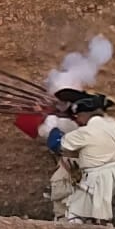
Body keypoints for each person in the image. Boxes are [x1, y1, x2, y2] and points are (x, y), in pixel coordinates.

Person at [59, 93, 115, 227]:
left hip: (96, 179)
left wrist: (54, 132)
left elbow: (62, 143)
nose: (78, 120)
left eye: (79, 116)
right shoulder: (112, 125)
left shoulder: (86, 132)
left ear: (85, 114)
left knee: (75, 214)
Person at [14, 87, 85, 221]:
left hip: (73, 164)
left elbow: (45, 132)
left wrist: (42, 115)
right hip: (81, 163)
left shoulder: (67, 122)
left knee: (61, 189)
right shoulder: (84, 120)